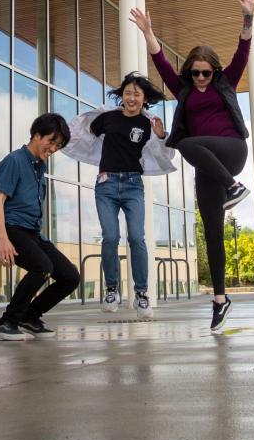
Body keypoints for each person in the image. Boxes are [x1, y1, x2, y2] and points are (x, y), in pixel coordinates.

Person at [129, 0, 254, 333]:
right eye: (196, 73)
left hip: (231, 152)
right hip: (206, 165)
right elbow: (162, 64)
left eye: (206, 73)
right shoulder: (183, 88)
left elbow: (242, 51)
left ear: (214, 71)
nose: (200, 78)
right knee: (212, 232)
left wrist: (247, 18)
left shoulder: (225, 81)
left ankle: (234, 185)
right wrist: (148, 33)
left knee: (182, 140)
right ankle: (219, 299)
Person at [64, 73, 175, 320]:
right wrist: (61, 137)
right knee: (111, 236)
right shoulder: (108, 118)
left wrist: (160, 135)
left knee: (137, 237)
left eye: (137, 94)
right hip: (106, 184)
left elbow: (162, 154)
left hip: (133, 185)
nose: (131, 97)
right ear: (121, 95)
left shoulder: (148, 124)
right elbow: (83, 134)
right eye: (127, 93)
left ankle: (142, 294)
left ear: (144, 99)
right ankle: (112, 289)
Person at [0, 113, 81, 341]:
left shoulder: (39, 168)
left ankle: (30, 316)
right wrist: (2, 240)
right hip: (10, 228)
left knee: (70, 276)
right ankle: (7, 322)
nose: (53, 148)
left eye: (58, 145)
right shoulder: (15, 160)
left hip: (30, 233)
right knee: (42, 266)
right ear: (36, 135)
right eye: (51, 141)